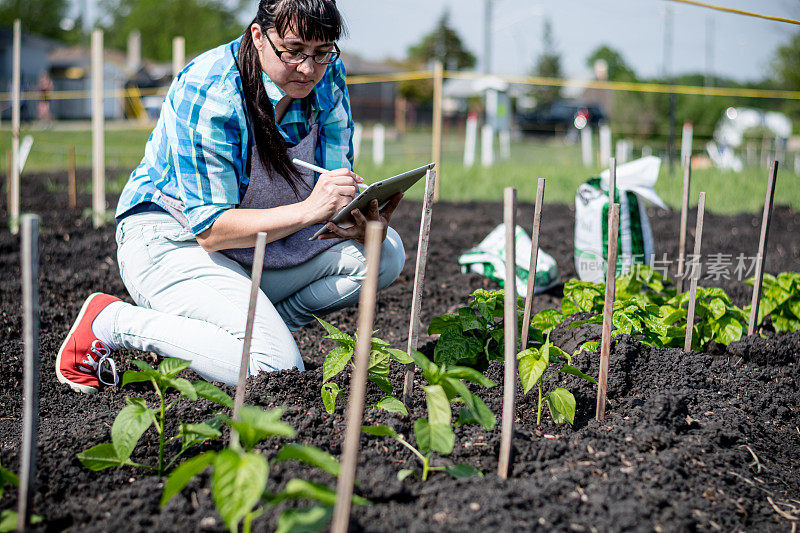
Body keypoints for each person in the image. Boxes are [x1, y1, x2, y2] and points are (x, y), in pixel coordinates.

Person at [56, 0, 405, 393]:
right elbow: (211, 230)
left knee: (384, 251)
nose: (308, 68)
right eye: (293, 51)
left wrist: (353, 215)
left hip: (258, 241)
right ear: (259, 36)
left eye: (322, 53)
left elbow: (330, 182)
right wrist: (312, 209)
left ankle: (250, 333)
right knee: (275, 366)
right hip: (174, 240)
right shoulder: (212, 88)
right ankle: (112, 320)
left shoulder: (327, 75)